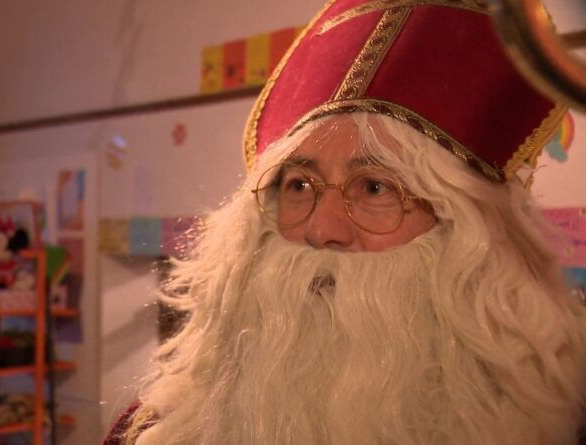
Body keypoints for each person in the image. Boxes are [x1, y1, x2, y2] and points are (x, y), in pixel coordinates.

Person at [104, 0, 586, 443]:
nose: (321, 230)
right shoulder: (152, 432)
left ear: (470, 233)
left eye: (375, 188)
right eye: (298, 185)